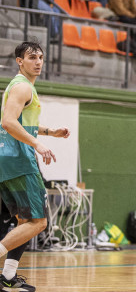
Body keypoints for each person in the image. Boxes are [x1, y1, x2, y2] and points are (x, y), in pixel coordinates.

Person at [0, 41, 70, 291]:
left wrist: (50, 131)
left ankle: (8, 278)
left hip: (7, 160)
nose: (38, 61)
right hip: (20, 160)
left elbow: (19, 121)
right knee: (38, 222)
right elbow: (8, 122)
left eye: (41, 57)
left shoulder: (20, 87)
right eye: (32, 57)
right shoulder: (22, 87)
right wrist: (38, 145)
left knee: (23, 222)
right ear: (20, 61)